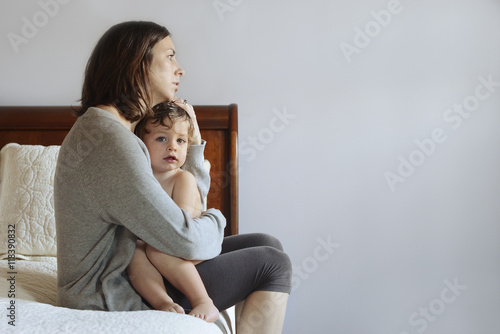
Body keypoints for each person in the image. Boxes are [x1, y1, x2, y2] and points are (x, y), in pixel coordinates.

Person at [54, 20, 291, 333]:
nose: (180, 69)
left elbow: (186, 213)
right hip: (114, 292)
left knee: (266, 242)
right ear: (137, 65)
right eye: (169, 57)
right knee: (273, 264)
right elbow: (187, 240)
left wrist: (192, 149)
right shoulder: (112, 143)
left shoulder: (110, 131)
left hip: (129, 271)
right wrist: (216, 220)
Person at [128, 101, 218, 322]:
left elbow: (180, 225)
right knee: (133, 253)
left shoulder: (182, 178)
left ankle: (203, 300)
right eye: (161, 138)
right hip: (152, 243)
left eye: (181, 141)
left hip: (183, 245)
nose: (172, 147)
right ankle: (163, 302)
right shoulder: (138, 178)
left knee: (156, 250)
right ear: (141, 144)